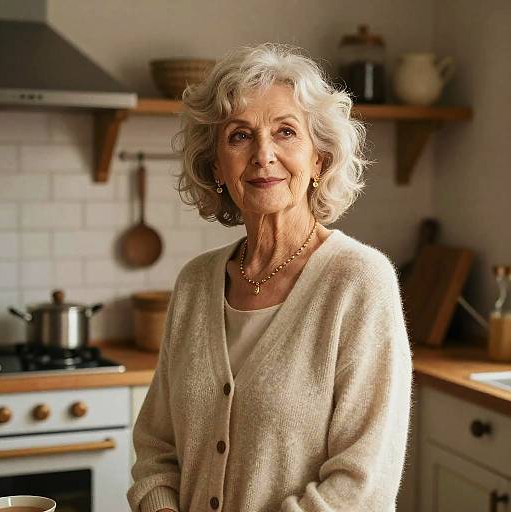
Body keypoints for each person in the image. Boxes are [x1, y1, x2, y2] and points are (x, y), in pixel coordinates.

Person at [127, 42, 414, 512]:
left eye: (285, 132)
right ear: (216, 166)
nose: (263, 155)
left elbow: (363, 486)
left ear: (319, 160)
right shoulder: (195, 283)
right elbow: (158, 449)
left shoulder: (360, 281)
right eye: (239, 136)